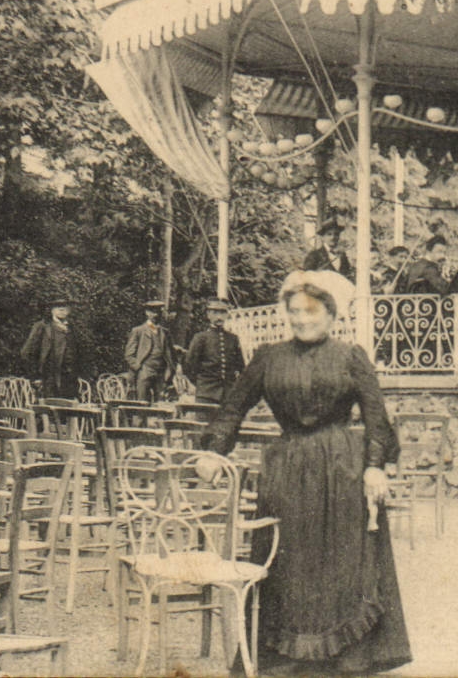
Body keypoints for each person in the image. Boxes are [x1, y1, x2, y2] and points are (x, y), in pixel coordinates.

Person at [199, 270, 411, 675]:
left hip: (344, 470)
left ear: (331, 315)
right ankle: (285, 660)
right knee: (287, 562)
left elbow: (375, 418)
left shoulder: (351, 356)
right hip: (288, 473)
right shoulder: (268, 357)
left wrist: (373, 467)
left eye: (310, 311)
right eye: (293, 311)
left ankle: (346, 659)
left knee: (342, 563)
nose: (301, 319)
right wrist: (212, 451)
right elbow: (232, 408)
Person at [181, 298, 247, 405]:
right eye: (215, 313)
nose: (219, 317)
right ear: (208, 315)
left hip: (228, 394)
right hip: (206, 394)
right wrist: (202, 385)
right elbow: (189, 366)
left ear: (227, 315)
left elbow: (241, 366)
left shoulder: (233, 339)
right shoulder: (200, 338)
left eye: (223, 313)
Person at [20, 298, 78, 400]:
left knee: (68, 410)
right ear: (52, 310)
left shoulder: (71, 328)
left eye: (65, 307)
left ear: (69, 310)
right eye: (58, 307)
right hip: (48, 379)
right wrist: (35, 376)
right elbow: (28, 352)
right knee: (49, 410)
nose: (61, 309)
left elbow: (77, 354)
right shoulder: (43, 326)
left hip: (68, 380)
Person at [123, 300, 173, 403]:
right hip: (144, 372)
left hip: (161, 374)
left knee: (161, 407)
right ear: (147, 313)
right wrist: (139, 368)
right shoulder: (138, 331)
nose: (156, 314)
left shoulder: (165, 332)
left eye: (159, 311)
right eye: (153, 311)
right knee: (141, 406)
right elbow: (129, 355)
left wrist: (170, 369)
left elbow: (171, 354)